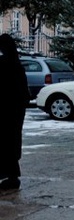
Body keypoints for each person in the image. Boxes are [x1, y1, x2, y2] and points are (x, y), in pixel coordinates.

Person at [0, 34, 30, 191]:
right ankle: (12, 176)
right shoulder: (17, 65)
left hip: (5, 111)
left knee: (5, 143)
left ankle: (9, 176)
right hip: (16, 111)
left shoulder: (4, 64)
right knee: (11, 142)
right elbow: (24, 92)